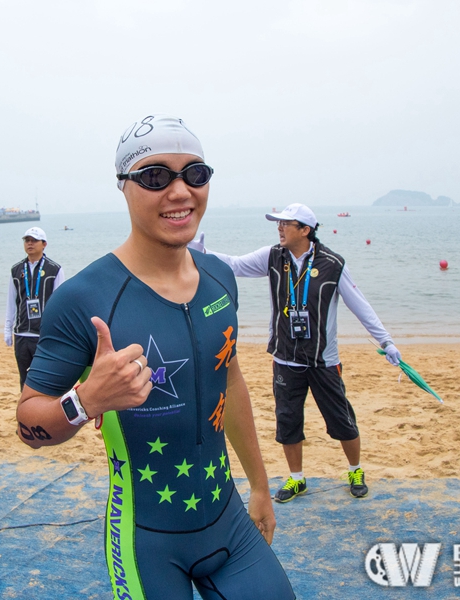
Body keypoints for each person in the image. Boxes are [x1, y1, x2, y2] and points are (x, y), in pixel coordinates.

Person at [15, 114, 294, 600]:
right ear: (124, 187)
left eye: (196, 174)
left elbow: (229, 383)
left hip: (226, 518)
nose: (181, 191)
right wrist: (87, 400)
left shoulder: (219, 279)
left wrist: (259, 485)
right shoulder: (85, 298)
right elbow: (27, 425)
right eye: (155, 176)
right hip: (145, 538)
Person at [195, 203, 402, 501]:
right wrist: (203, 254)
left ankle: (355, 469)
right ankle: (297, 478)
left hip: (323, 360)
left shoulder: (333, 263)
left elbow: (360, 305)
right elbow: (235, 264)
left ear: (305, 230)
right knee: (288, 421)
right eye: (278, 223)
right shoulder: (272, 257)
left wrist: (386, 342)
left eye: (285, 224)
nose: (279, 228)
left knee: (341, 419)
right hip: (285, 358)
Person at [4, 226, 65, 390]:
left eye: (34, 240)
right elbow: (11, 301)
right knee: (24, 379)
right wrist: (7, 328)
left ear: (44, 244)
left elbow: (60, 305)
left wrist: (58, 332)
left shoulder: (54, 270)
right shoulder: (16, 270)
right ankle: (26, 413)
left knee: (44, 378)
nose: (30, 244)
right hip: (21, 333)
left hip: (43, 334)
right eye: (27, 240)